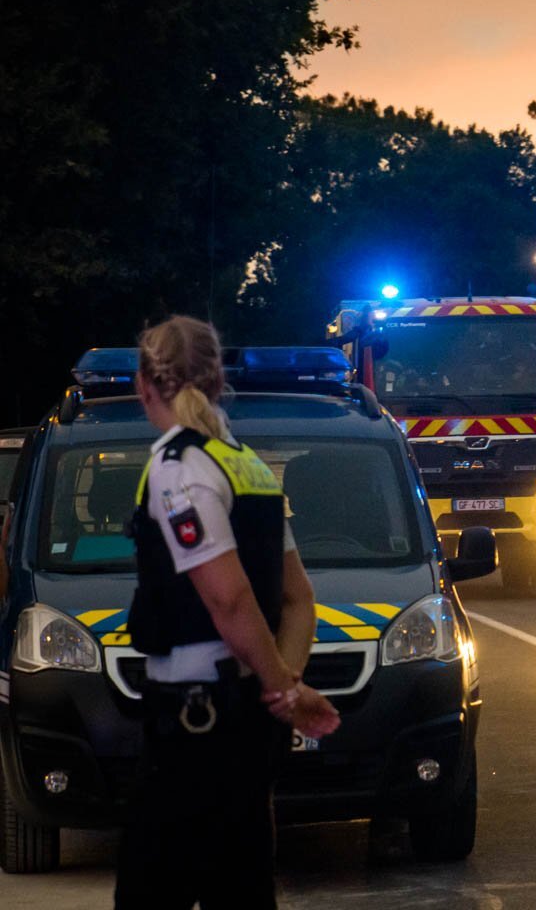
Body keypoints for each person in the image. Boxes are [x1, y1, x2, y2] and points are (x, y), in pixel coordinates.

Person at [116, 315, 339, 910]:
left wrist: (285, 694)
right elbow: (299, 601)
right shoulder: (251, 467)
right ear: (217, 384)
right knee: (241, 891)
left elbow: (229, 599)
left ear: (143, 386)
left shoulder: (177, 468)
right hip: (243, 721)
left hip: (193, 721)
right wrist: (283, 688)